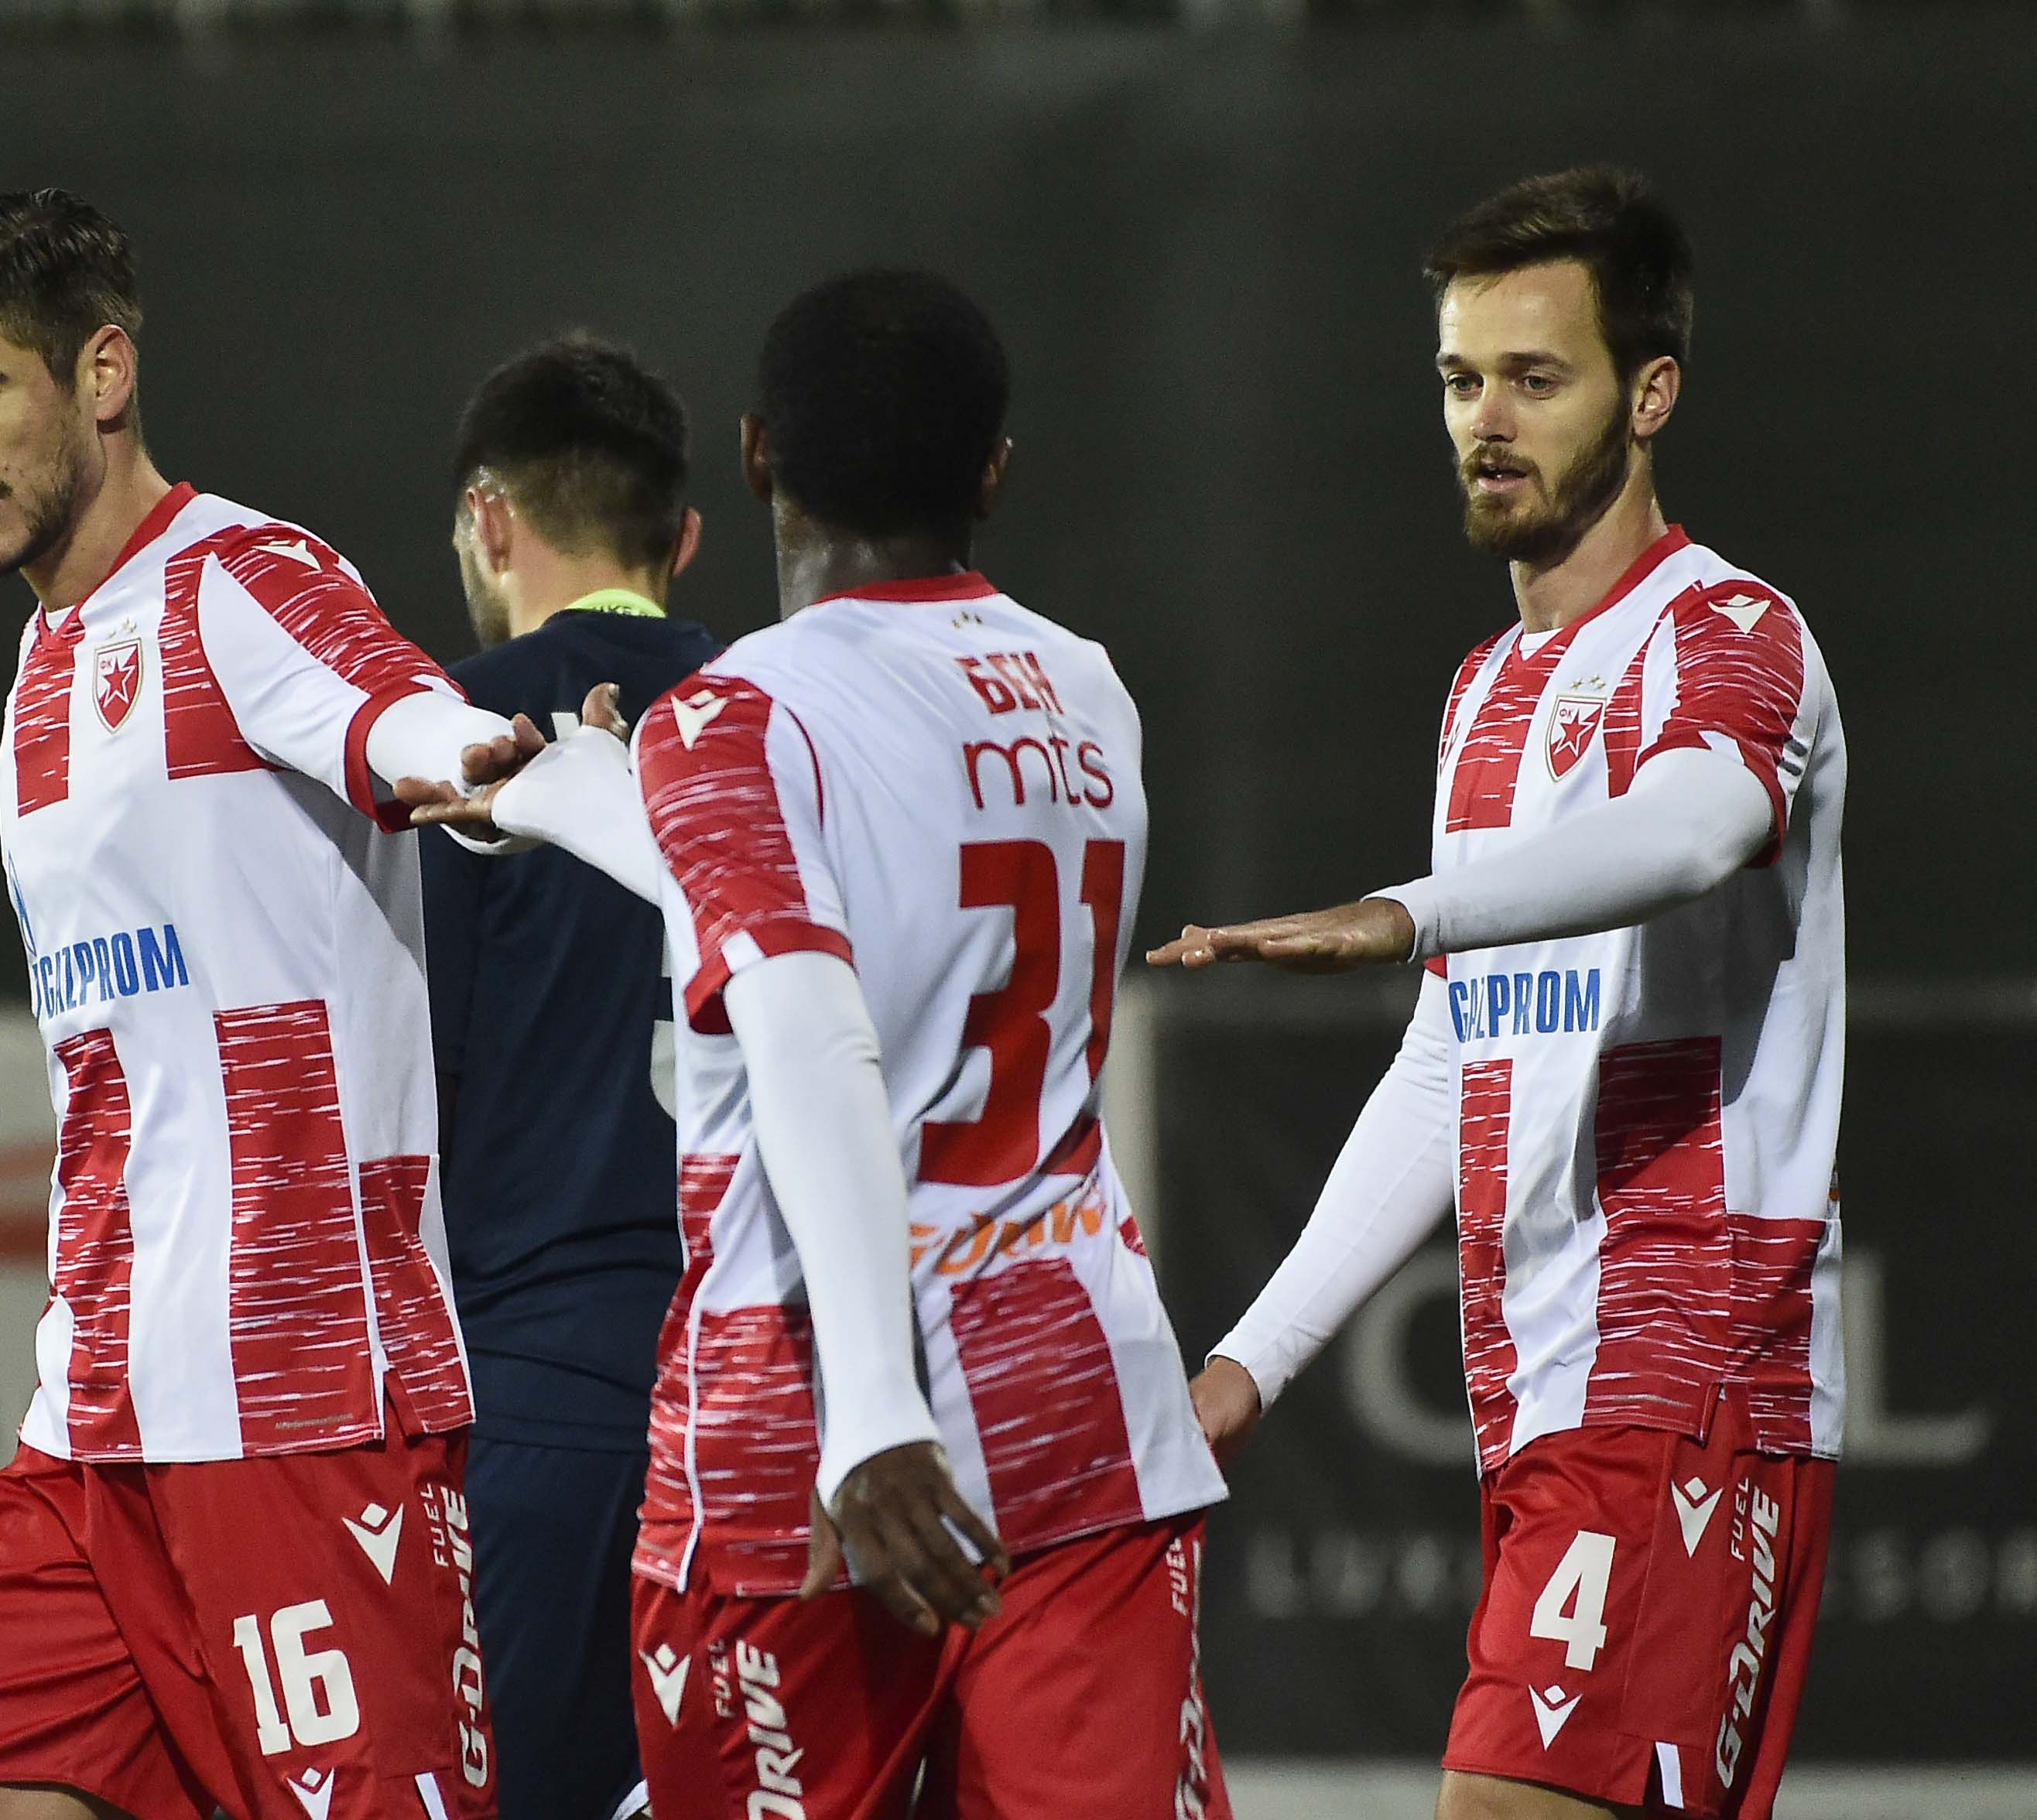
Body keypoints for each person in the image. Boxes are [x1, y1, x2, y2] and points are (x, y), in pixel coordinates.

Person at [419, 270, 1233, 1819]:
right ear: (991, 471)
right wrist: (582, 793)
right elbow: (844, 867)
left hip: (805, 1421)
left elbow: (802, 1010)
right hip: (1073, 1390)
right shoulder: (1088, 692)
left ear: (753, 459)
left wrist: (873, 1411)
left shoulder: (738, 720)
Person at [1152, 168, 1844, 1820]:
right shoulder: (1484, 692)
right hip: (1532, 1404)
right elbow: (1451, 1060)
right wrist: (1248, 1362)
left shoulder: (1728, 633)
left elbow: (1689, 835)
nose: (1486, 418)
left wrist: (1405, 909)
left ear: (1647, 393)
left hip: (1684, 1385)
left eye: (1536, 378)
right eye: (1462, 380)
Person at [0, 189, 521, 1820]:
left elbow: (391, 719)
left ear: (101, 374)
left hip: (306, 1409)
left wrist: (479, 767)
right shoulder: (36, 672)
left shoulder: (241, 578)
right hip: (93, 1417)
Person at [419, 335, 720, 1820]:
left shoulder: (437, 746)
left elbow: (407, 1103)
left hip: (534, 1408)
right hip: (775, 1416)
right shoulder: (787, 719)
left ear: (489, 518)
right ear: (685, 541)